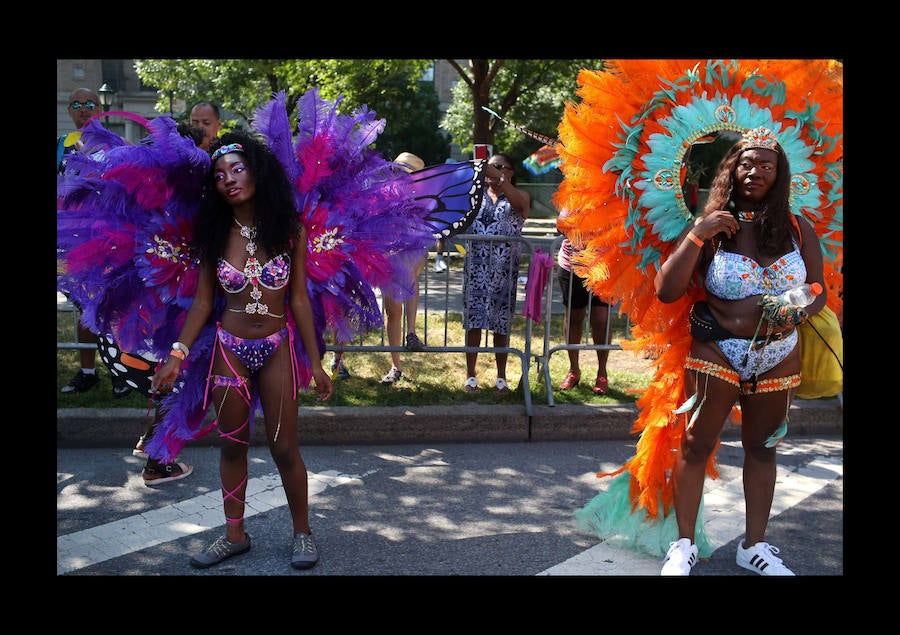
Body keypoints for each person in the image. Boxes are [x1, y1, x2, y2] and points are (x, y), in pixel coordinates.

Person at [150, 131, 334, 569]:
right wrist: (177, 354)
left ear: (257, 170)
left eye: (237, 169)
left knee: (284, 447)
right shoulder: (213, 233)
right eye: (219, 176)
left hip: (276, 348)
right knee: (232, 447)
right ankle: (235, 535)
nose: (229, 180)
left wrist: (318, 362)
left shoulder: (289, 229)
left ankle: (303, 533)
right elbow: (201, 302)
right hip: (229, 349)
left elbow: (299, 300)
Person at [652, 126, 825, 575]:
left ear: (778, 174)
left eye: (766, 165)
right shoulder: (713, 226)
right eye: (746, 163)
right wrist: (697, 233)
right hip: (718, 352)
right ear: (732, 169)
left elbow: (819, 288)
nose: (756, 172)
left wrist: (798, 306)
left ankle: (754, 547)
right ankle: (683, 544)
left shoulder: (796, 228)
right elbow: (667, 290)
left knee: (763, 450)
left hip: (778, 355)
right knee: (696, 446)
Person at [461, 152, 531, 393]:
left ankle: (501, 377)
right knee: (473, 322)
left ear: (511, 172)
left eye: (500, 166)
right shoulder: (475, 196)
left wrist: (501, 181)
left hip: (503, 272)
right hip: (476, 270)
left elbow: (521, 207)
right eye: (490, 167)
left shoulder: (519, 195)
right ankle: (470, 375)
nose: (492, 171)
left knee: (501, 324)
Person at [58, 88, 104, 395]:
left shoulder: (116, 146)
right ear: (69, 110)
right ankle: (88, 371)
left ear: (100, 109)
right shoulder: (61, 146)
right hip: (72, 241)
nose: (84, 109)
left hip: (111, 241)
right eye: (77, 104)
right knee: (83, 305)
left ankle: (123, 373)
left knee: (113, 306)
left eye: (90, 104)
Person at [380, 152, 427, 384]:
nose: (401, 177)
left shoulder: (423, 200)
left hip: (411, 255)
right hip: (388, 258)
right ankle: (395, 365)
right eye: (397, 171)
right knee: (393, 312)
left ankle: (412, 332)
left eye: (406, 174)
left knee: (411, 283)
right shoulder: (383, 195)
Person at [555, 236, 610, 394]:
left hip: (603, 264)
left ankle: (602, 373)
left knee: (600, 319)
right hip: (570, 265)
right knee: (573, 318)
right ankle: (574, 370)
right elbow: (562, 223)